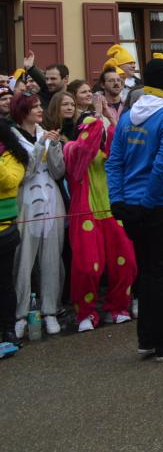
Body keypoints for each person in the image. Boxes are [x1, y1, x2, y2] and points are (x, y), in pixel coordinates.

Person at [106, 58, 163, 361]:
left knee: (146, 273)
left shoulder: (129, 115)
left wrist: (118, 201)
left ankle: (146, 338)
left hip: (132, 205)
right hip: (159, 205)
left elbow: (115, 161)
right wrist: (146, 204)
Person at [62, 113, 137, 332]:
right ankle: (85, 312)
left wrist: (111, 122)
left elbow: (124, 143)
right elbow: (86, 148)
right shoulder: (72, 150)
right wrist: (96, 117)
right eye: (88, 126)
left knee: (127, 263)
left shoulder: (109, 150)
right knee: (88, 268)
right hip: (86, 214)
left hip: (112, 212)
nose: (96, 130)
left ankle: (119, 307)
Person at [9, 94, 65, 338]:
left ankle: (50, 310)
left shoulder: (47, 132)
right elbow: (25, 173)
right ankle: (20, 314)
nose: (40, 110)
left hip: (52, 200)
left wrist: (54, 146)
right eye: (35, 107)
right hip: (27, 202)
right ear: (23, 111)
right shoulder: (12, 138)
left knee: (52, 257)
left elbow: (58, 170)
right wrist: (41, 144)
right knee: (23, 260)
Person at [0, 121, 29, 343]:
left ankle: (8, 328)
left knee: (4, 283)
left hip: (5, 230)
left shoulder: (14, 156)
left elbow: (10, 182)